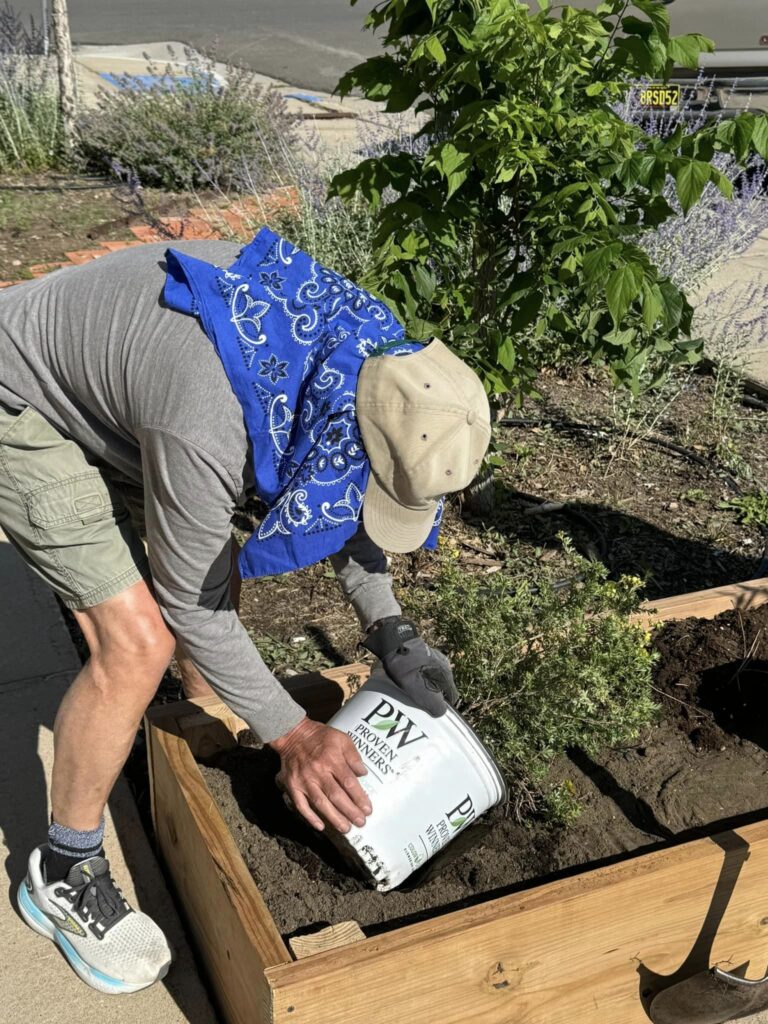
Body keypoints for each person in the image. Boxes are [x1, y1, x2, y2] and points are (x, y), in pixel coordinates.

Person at [0, 228, 491, 993]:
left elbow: (343, 497)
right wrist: (293, 735)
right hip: (21, 401)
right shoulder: (206, 418)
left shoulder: (363, 355)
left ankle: (209, 728)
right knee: (136, 644)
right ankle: (63, 872)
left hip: (126, 388)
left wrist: (389, 627)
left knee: (207, 570)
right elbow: (189, 607)